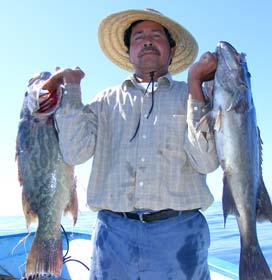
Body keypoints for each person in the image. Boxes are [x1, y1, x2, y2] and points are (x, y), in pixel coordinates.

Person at [43, 8, 219, 280]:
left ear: (171, 51)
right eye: (138, 36)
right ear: (129, 52)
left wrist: (196, 82)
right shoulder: (105, 100)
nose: (147, 40)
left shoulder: (191, 95)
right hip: (112, 236)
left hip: (180, 234)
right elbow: (74, 152)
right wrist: (72, 90)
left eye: (156, 35)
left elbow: (206, 161)